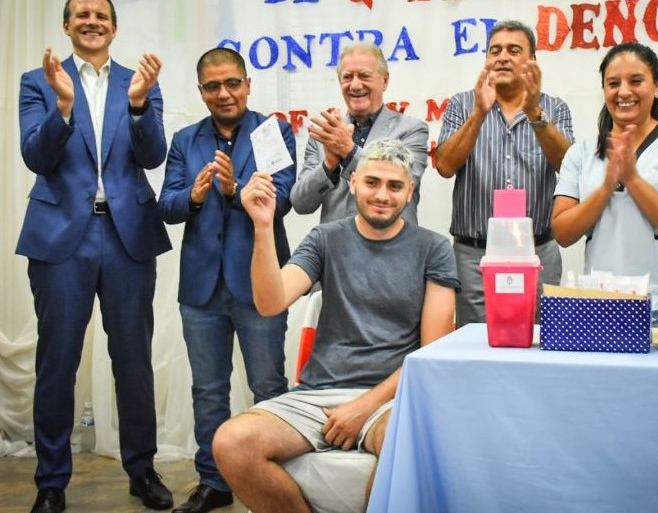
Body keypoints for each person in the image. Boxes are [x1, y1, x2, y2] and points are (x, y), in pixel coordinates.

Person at [211, 139, 459, 513]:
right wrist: (262, 227)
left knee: (406, 441)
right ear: (353, 182)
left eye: (395, 186)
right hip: (319, 393)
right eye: (372, 182)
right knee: (231, 443)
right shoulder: (325, 238)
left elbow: (429, 355)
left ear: (410, 191)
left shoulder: (434, 248)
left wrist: (363, 406)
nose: (382, 195)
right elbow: (270, 302)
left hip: (391, 399)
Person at [17, 0, 173, 513]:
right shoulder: (38, 81)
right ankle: (51, 481)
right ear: (67, 26)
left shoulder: (140, 82)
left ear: (114, 27)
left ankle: (142, 470)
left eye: (101, 15)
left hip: (128, 237)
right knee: (56, 362)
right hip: (61, 237)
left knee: (133, 361)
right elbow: (35, 158)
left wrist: (139, 105)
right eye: (81, 15)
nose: (92, 21)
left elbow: (152, 156)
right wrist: (63, 106)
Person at [158, 48, 296, 513]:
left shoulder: (272, 131)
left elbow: (284, 197)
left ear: (248, 84)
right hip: (201, 290)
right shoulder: (185, 139)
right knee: (208, 391)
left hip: (261, 285)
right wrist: (194, 197)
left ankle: (276, 481)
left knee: (268, 386)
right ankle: (213, 482)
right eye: (213, 86)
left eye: (232, 83)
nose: (224, 93)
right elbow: (167, 204)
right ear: (201, 91)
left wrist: (235, 190)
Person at [551, 42, 658, 309]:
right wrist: (605, 188)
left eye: (636, 81)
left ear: (657, 86)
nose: (624, 91)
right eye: (613, 83)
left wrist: (632, 179)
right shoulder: (580, 153)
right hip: (598, 303)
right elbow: (563, 233)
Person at [435, 19, 574, 327]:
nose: (502, 57)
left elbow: (567, 166)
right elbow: (444, 166)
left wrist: (535, 114)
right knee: (476, 343)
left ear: (532, 60)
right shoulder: (462, 104)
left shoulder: (555, 108)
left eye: (513, 50)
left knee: (539, 341)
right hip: (475, 256)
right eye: (495, 50)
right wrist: (478, 114)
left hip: (537, 252)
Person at [290, 42, 429, 224]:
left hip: (392, 241)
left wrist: (348, 151)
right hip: (336, 241)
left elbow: (403, 183)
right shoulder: (325, 135)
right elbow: (300, 204)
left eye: (364, 76)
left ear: (385, 80)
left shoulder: (412, 130)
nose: (355, 85)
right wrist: (328, 167)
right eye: (347, 77)